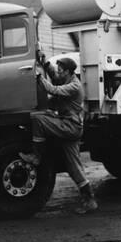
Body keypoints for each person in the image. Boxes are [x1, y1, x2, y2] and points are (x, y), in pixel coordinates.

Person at [19, 56, 98, 214]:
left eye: (61, 70)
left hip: (70, 126)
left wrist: (39, 77)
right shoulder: (67, 79)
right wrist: (45, 62)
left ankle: (36, 156)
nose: (58, 72)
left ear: (68, 72)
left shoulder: (74, 86)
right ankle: (90, 201)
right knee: (73, 166)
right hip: (70, 126)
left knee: (38, 119)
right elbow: (54, 77)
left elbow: (53, 89)